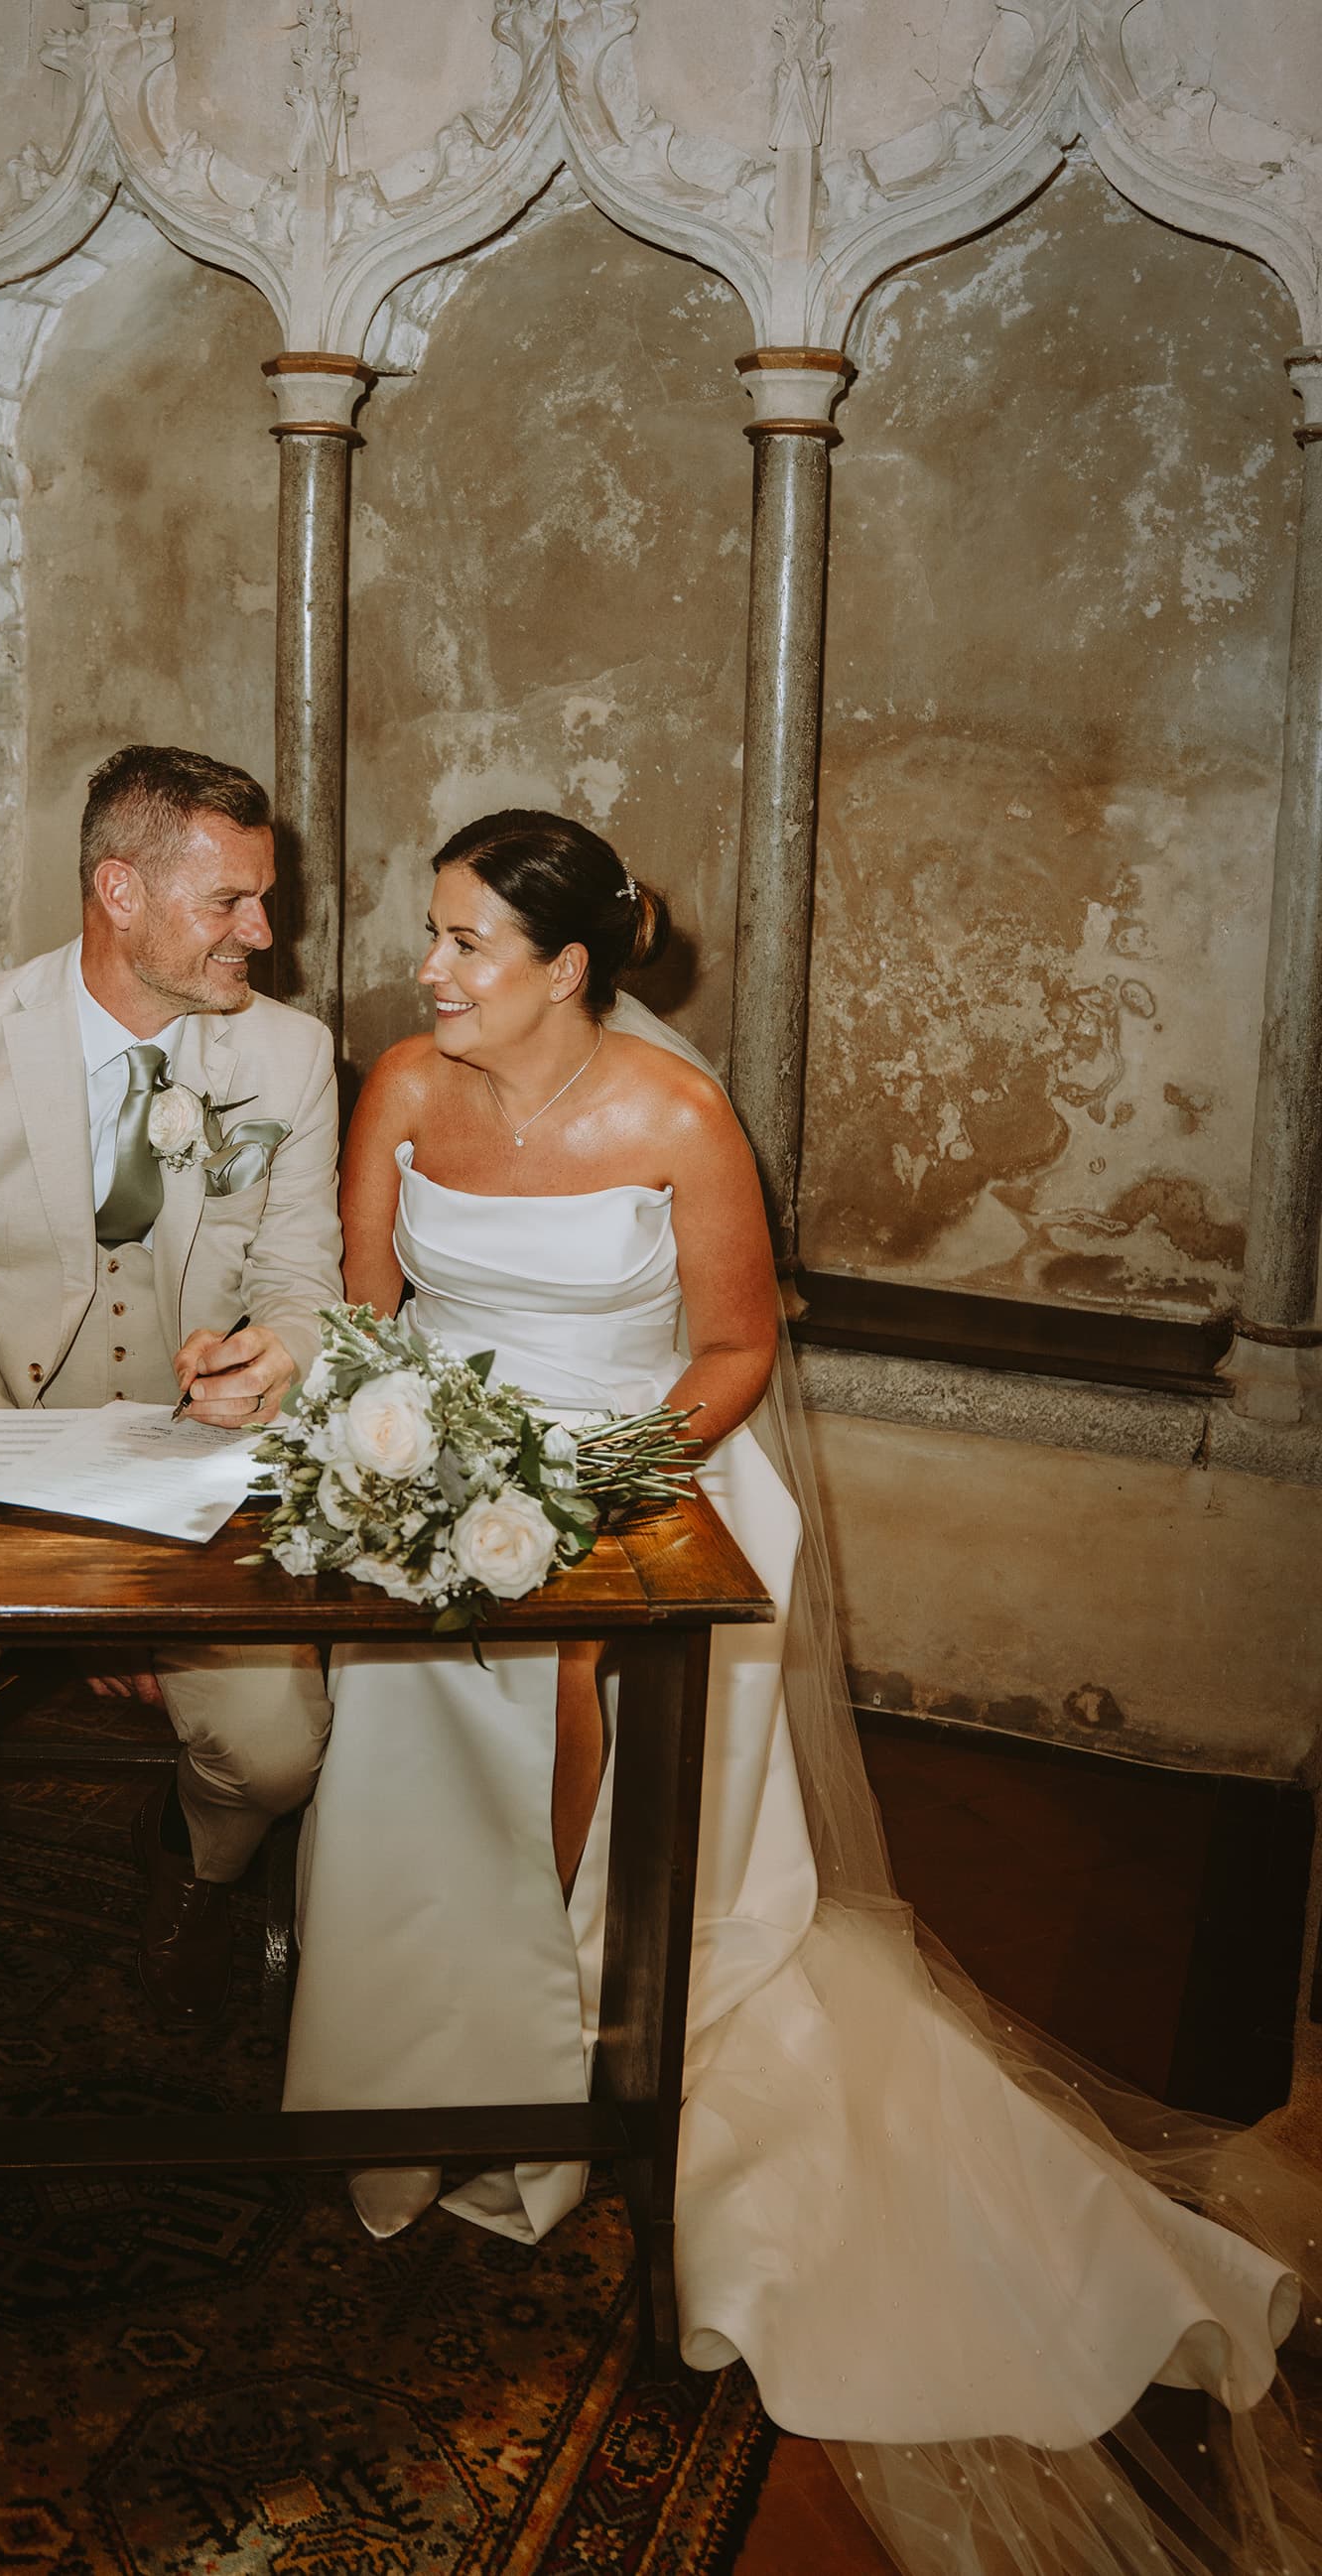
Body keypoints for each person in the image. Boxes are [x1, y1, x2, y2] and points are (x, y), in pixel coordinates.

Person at [283, 807, 1322, 2576]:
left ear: (567, 969)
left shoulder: (677, 1118)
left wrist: (586, 1489)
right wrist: (387, 1450)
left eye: (465, 943)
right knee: (418, 1707)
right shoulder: (398, 1088)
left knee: (570, 1685)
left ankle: (577, 2029)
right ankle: (428, 2032)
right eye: (432, 934)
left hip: (648, 1473)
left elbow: (736, 1349)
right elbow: (369, 1314)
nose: (428, 970)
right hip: (442, 1478)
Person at [0, 745, 340, 2137]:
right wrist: (82, 1567)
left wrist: (275, 1355)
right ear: (120, 890)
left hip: (189, 1463)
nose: (263, 931)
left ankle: (195, 1857)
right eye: (229, 902)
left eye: (262, 898)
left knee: (275, 1751)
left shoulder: (289, 1057)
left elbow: (304, 1285)